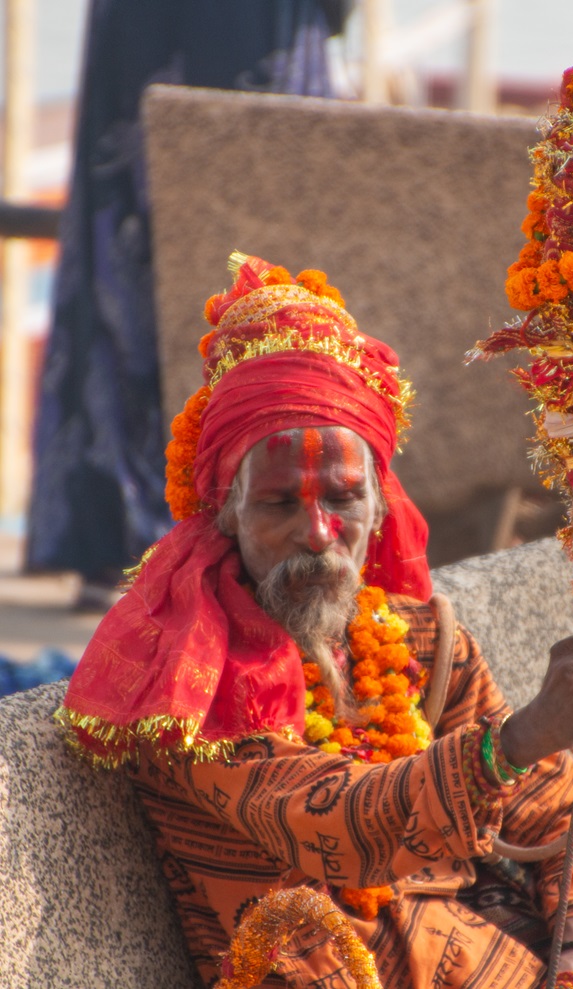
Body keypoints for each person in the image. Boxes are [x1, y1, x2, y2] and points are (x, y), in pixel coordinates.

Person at [58, 254, 573, 989]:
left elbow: (562, 818)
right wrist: (517, 740)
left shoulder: (423, 640)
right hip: (331, 971)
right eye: (278, 504)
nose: (321, 534)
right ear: (227, 510)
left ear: (379, 506)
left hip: (498, 960)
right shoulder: (187, 673)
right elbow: (336, 825)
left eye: (342, 499)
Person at [27, 0, 351, 608]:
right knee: (174, 259)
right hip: (232, 33)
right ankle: (162, 542)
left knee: (233, 268)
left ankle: (153, 544)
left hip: (203, 36)